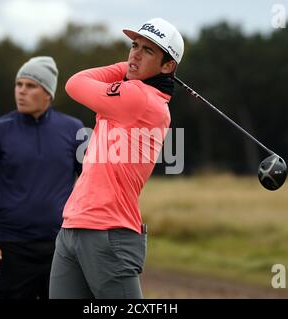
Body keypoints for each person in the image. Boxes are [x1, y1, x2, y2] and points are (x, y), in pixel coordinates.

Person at [49, 18, 184, 298]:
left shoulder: (139, 97)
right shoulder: (139, 92)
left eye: (148, 51)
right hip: (74, 224)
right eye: (134, 46)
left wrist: (127, 69)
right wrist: (139, 66)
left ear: (168, 66)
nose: (135, 53)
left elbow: (75, 84)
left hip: (109, 232)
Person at [0, 56, 85, 299]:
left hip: (61, 247)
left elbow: (91, 183)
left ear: (48, 93)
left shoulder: (74, 129)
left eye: (30, 85)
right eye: (18, 84)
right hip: (9, 247)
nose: (21, 91)